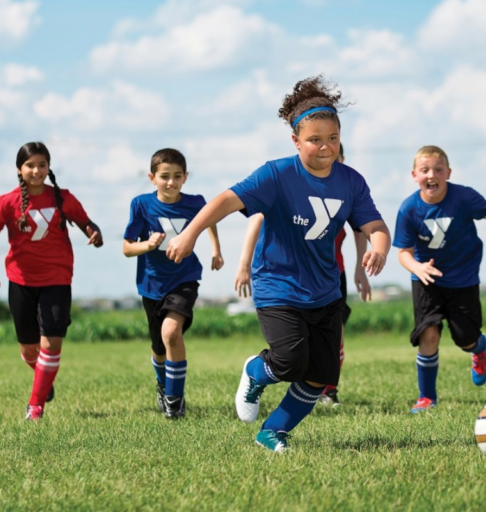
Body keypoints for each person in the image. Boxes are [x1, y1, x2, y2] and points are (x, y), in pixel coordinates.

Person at [165, 76, 391, 452]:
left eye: (333, 138)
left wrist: (379, 249)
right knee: (289, 362)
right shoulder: (276, 174)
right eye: (315, 139)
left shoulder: (352, 182)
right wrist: (190, 234)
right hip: (278, 285)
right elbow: (226, 200)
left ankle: (273, 431)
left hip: (325, 291)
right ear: (295, 141)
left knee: (320, 375)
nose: (325, 146)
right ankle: (256, 371)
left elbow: (375, 226)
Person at [394, 145, 486, 413]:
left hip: (463, 278)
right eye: (425, 170)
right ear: (414, 175)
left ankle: (479, 347)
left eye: (438, 169)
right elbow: (403, 252)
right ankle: (426, 398)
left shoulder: (463, 197)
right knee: (428, 334)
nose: (432, 175)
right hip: (426, 279)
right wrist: (417, 268)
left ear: (448, 173)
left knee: (465, 339)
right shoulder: (408, 209)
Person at [233, 146, 370, 408]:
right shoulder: (292, 185)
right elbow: (257, 219)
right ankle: (265, 374)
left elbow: (362, 227)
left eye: (336, 155)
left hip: (332, 276)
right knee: (293, 355)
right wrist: (244, 264)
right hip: (289, 278)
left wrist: (360, 268)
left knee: (335, 335)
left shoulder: (347, 188)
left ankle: (328, 390)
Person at [0, 141, 103, 421]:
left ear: (49, 167)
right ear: (19, 169)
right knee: (28, 349)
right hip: (21, 281)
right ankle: (43, 379)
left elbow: (87, 224)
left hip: (57, 279)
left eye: (42, 165)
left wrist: (94, 234)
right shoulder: (7, 202)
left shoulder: (63, 198)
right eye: (30, 165)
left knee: (52, 343)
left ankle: (35, 406)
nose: (36, 171)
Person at [122, 148, 223, 419]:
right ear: (152, 178)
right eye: (164, 176)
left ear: (185, 177)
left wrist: (215, 249)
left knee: (171, 333)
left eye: (177, 176)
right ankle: (163, 385)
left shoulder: (195, 202)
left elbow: (209, 219)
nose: (171, 182)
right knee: (159, 349)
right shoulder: (141, 204)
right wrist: (147, 244)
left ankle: (175, 402)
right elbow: (127, 248)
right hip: (151, 284)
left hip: (184, 278)